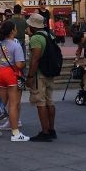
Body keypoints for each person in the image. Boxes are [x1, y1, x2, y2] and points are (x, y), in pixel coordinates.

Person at [0, 20, 29, 141]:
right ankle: (15, 133)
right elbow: (18, 64)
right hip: (12, 74)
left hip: (1, 74)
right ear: (13, 31)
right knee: (13, 104)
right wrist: (24, 64)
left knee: (1, 104)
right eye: (15, 27)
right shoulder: (16, 45)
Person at [26, 13, 57, 142]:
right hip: (50, 73)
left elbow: (35, 59)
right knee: (50, 101)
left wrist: (30, 76)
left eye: (29, 24)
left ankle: (44, 132)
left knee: (40, 102)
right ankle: (51, 129)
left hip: (40, 74)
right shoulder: (49, 35)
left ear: (33, 25)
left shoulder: (36, 39)